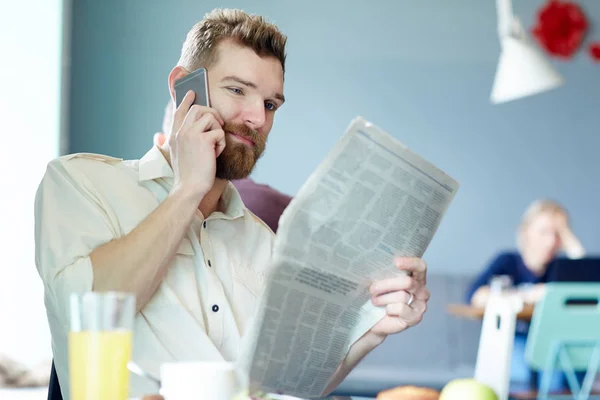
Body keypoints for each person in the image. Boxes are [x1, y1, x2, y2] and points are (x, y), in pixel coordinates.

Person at [34, 8, 430, 399]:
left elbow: (283, 385)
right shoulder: (79, 183)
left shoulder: (266, 243)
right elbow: (85, 314)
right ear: (182, 87)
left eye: (271, 104)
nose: (257, 117)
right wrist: (188, 189)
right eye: (237, 90)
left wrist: (374, 330)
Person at [466, 199, 585, 391]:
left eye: (558, 234)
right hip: (515, 337)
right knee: (520, 369)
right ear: (525, 232)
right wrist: (526, 295)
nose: (550, 241)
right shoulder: (507, 261)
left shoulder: (562, 269)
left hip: (553, 343)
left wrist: (567, 234)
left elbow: (586, 281)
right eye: (544, 232)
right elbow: (475, 296)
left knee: (561, 373)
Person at [154, 102, 292, 233]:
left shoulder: (262, 233)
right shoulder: (287, 211)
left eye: (269, 105)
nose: (259, 120)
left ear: (160, 143)